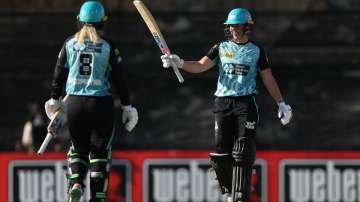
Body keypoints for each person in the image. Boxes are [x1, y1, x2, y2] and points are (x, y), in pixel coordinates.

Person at [161, 8, 292, 202]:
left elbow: (268, 78)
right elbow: (200, 65)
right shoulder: (220, 47)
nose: (232, 29)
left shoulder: (256, 50)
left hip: (245, 104)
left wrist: (281, 103)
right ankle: (230, 191)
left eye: (236, 25)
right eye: (229, 26)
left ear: (247, 26)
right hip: (223, 103)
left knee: (243, 150)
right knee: (221, 154)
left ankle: (242, 191)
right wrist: (179, 62)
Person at [44, 1, 138, 202]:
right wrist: (127, 106)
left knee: (77, 149)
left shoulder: (69, 44)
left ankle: (76, 182)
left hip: (75, 105)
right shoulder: (108, 47)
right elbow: (119, 79)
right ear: (103, 22)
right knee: (100, 154)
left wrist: (53, 98)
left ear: (79, 20)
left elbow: (58, 73)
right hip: (101, 104)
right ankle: (98, 197)